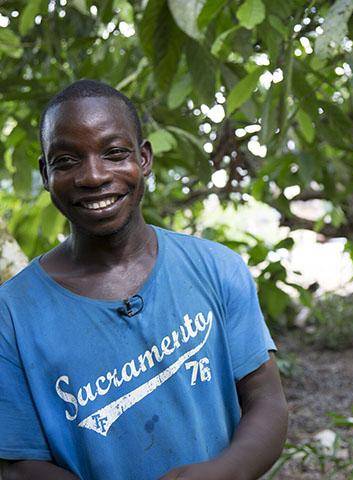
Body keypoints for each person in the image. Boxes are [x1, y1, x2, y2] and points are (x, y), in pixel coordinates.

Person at [0, 80, 288, 480]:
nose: (94, 176)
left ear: (145, 158)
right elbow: (16, 464)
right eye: (67, 161)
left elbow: (266, 402)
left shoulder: (217, 268)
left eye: (115, 153)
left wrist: (225, 472)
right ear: (45, 173)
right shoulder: (11, 314)